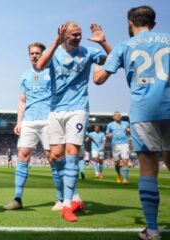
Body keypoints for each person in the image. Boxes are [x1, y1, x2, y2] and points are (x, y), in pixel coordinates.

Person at [93, 5, 169, 240]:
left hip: (144, 111)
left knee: (148, 170)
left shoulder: (125, 46)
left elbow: (99, 79)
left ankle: (152, 230)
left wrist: (98, 63)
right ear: (153, 23)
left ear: (129, 22)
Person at [35, 22, 112, 222]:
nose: (78, 37)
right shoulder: (55, 53)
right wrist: (55, 42)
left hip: (78, 109)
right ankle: (75, 196)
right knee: (56, 155)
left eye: (79, 34)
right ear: (64, 35)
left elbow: (114, 60)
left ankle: (67, 204)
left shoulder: (88, 52)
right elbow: (39, 66)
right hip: (56, 110)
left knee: (71, 154)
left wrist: (103, 42)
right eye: (73, 35)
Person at [3, 42, 52, 210]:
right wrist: (19, 122)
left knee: (52, 157)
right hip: (29, 121)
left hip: (48, 119)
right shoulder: (24, 76)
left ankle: (62, 199)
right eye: (32, 53)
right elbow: (22, 100)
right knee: (22, 155)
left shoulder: (51, 73)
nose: (34, 55)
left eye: (38, 53)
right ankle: (17, 198)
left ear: (43, 54)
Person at [106, 111, 131, 184]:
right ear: (113, 117)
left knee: (125, 160)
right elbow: (107, 134)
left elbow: (130, 132)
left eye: (119, 115)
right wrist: (109, 135)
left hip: (124, 143)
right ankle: (119, 175)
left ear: (121, 116)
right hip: (115, 144)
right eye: (116, 115)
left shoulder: (126, 123)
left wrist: (129, 131)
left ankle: (125, 179)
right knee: (116, 163)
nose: (118, 116)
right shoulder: (110, 125)